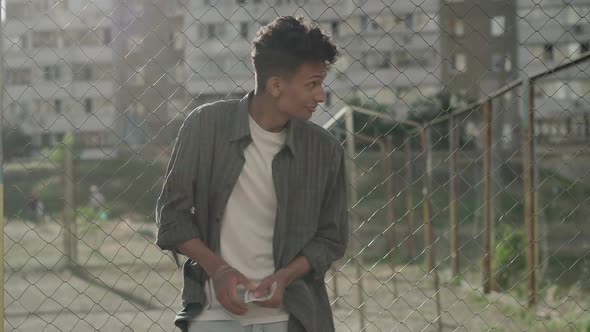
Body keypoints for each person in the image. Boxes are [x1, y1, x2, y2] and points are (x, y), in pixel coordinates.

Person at [155, 16, 348, 332]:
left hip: (296, 318)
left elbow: (332, 237)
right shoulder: (204, 127)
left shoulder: (325, 151)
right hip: (213, 317)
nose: (320, 96)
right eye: (312, 84)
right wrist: (217, 270)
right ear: (275, 85)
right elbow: (171, 219)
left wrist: (285, 277)